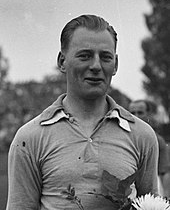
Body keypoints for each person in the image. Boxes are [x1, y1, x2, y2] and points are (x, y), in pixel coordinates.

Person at [6, 14, 159, 210]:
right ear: (62, 61)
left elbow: (152, 205)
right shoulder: (30, 137)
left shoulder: (142, 135)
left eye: (105, 57)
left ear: (116, 65)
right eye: (84, 55)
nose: (96, 66)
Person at [129, 99, 170, 197]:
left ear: (148, 114)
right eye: (132, 112)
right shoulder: (122, 136)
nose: (136, 116)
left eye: (140, 112)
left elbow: (164, 172)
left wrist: (167, 196)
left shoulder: (157, 140)